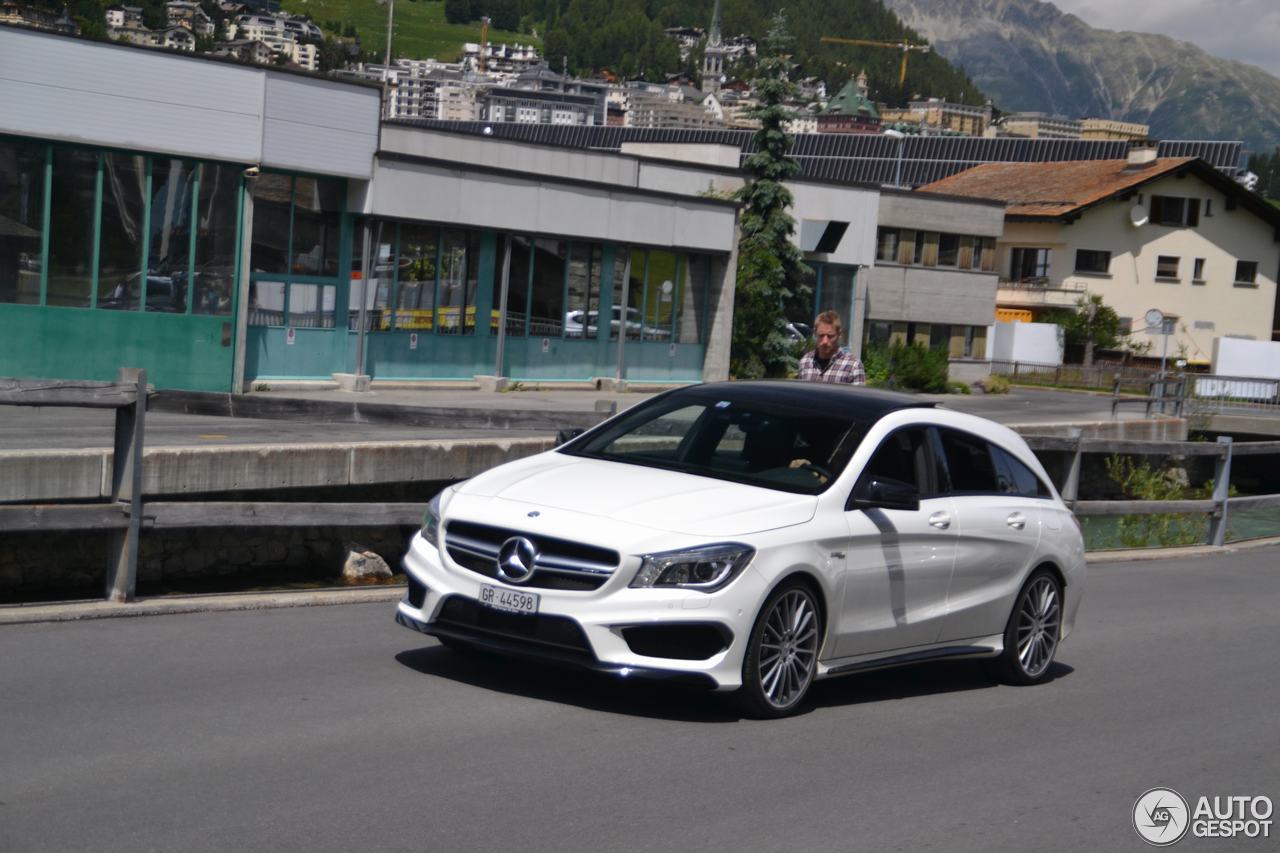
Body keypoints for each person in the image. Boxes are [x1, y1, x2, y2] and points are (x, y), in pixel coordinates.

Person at [798, 310, 865, 385]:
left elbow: (857, 396)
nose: (825, 341)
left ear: (839, 335)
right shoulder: (805, 362)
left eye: (830, 336)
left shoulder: (853, 366)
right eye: (821, 335)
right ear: (815, 334)